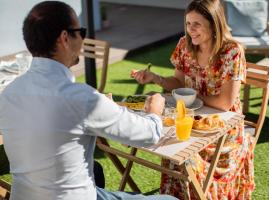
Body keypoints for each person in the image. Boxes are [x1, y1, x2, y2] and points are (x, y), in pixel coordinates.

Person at [0, 1, 178, 200]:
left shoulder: (9, 93)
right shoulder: (81, 98)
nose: (83, 39)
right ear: (65, 38)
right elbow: (149, 134)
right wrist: (155, 109)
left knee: (98, 174)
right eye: (81, 31)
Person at [132, 0, 255, 199]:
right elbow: (178, 82)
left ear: (213, 24)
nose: (191, 30)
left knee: (183, 158)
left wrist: (192, 95)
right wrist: (155, 78)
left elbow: (225, 103)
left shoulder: (231, 52)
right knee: (171, 148)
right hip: (191, 120)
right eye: (188, 24)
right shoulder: (184, 45)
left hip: (222, 129)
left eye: (196, 24)